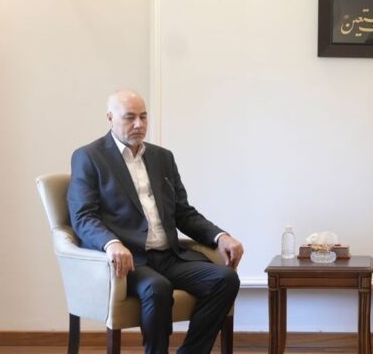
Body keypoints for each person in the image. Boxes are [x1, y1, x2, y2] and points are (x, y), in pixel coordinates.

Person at [68, 90, 244, 354]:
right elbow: (83, 216)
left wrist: (220, 236)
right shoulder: (90, 157)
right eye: (130, 117)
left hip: (170, 257)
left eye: (143, 116)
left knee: (226, 279)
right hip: (130, 261)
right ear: (110, 117)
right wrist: (111, 243)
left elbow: (183, 213)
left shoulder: (163, 158)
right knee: (157, 288)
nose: (139, 124)